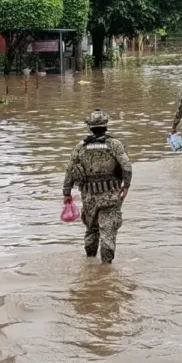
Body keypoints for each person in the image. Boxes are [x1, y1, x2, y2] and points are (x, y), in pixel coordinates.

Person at [63, 109, 132, 264]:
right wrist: (126, 185)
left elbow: (70, 170)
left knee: (91, 229)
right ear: (106, 125)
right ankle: (106, 268)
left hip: (89, 197)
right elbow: (126, 166)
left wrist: (66, 192)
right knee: (108, 230)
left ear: (90, 127)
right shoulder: (114, 144)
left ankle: (90, 262)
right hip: (110, 195)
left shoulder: (80, 146)